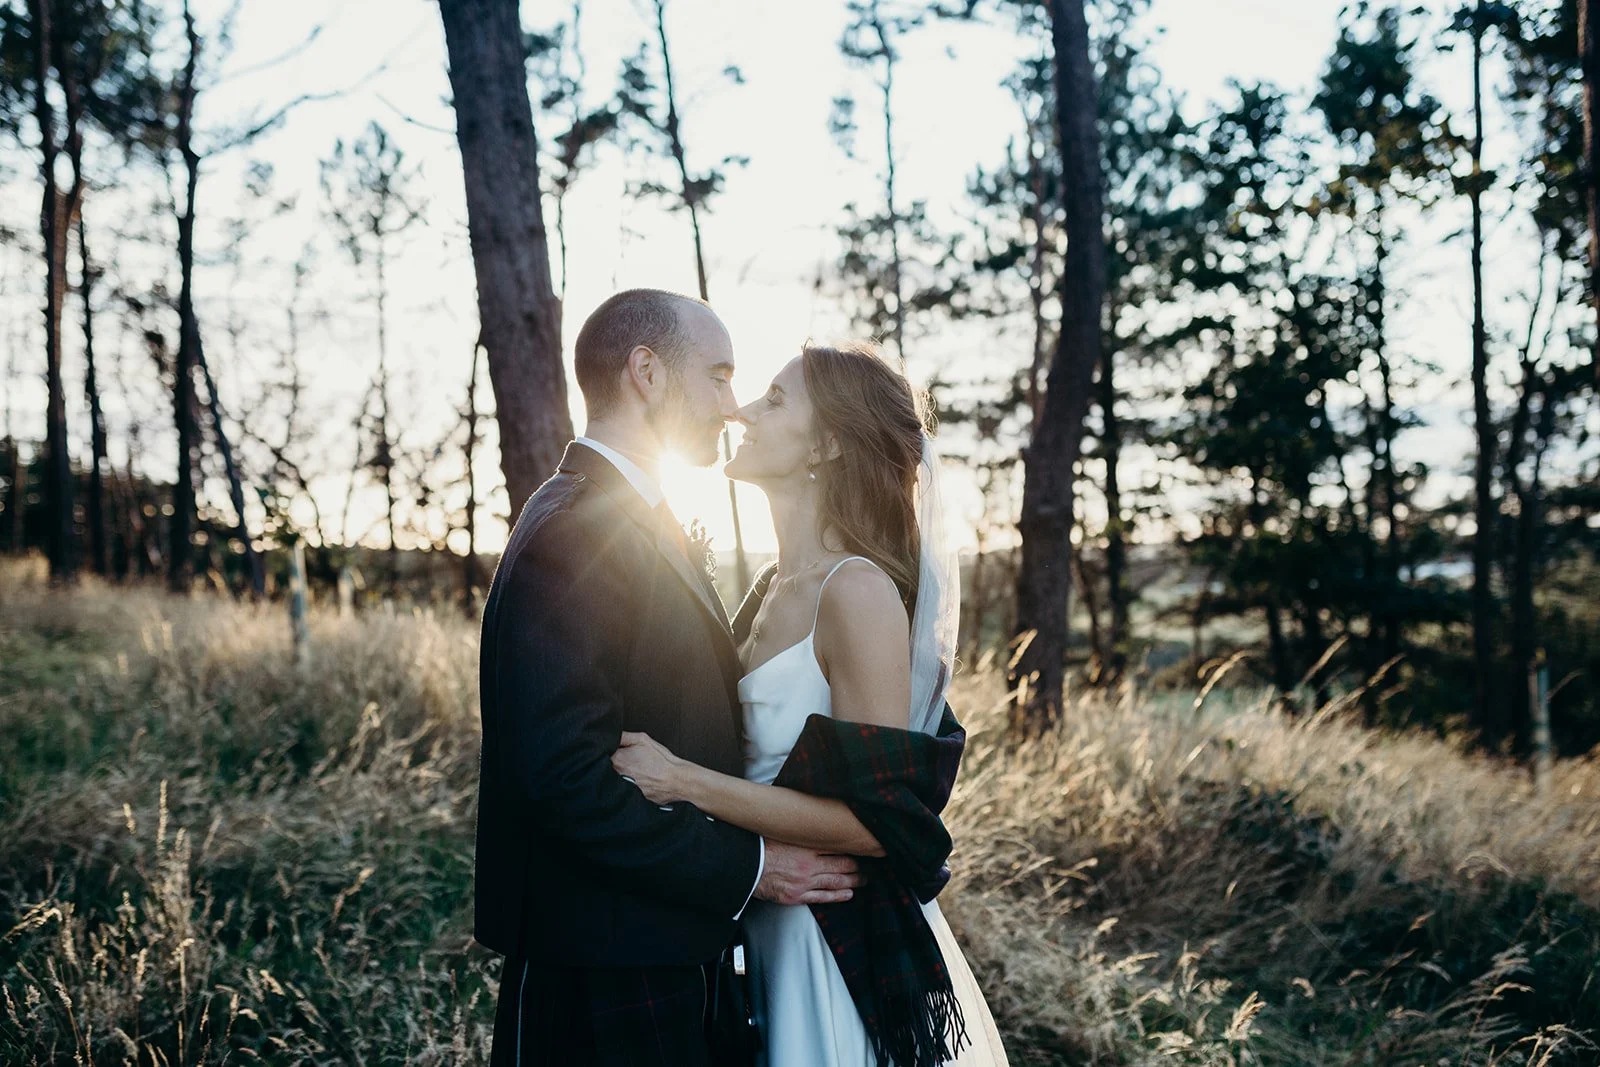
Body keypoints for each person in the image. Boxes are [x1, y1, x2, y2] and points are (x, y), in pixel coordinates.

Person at [475, 290, 865, 1066]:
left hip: (660, 946)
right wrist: (754, 868)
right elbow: (561, 779)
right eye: (717, 377)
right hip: (604, 968)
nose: (732, 406)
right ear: (646, 372)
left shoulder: (630, 516)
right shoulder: (576, 528)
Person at [612, 341, 1010, 1066]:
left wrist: (681, 780)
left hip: (834, 946)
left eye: (774, 399)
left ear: (825, 444)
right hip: (763, 922)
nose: (742, 411)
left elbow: (876, 824)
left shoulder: (855, 591)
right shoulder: (769, 588)